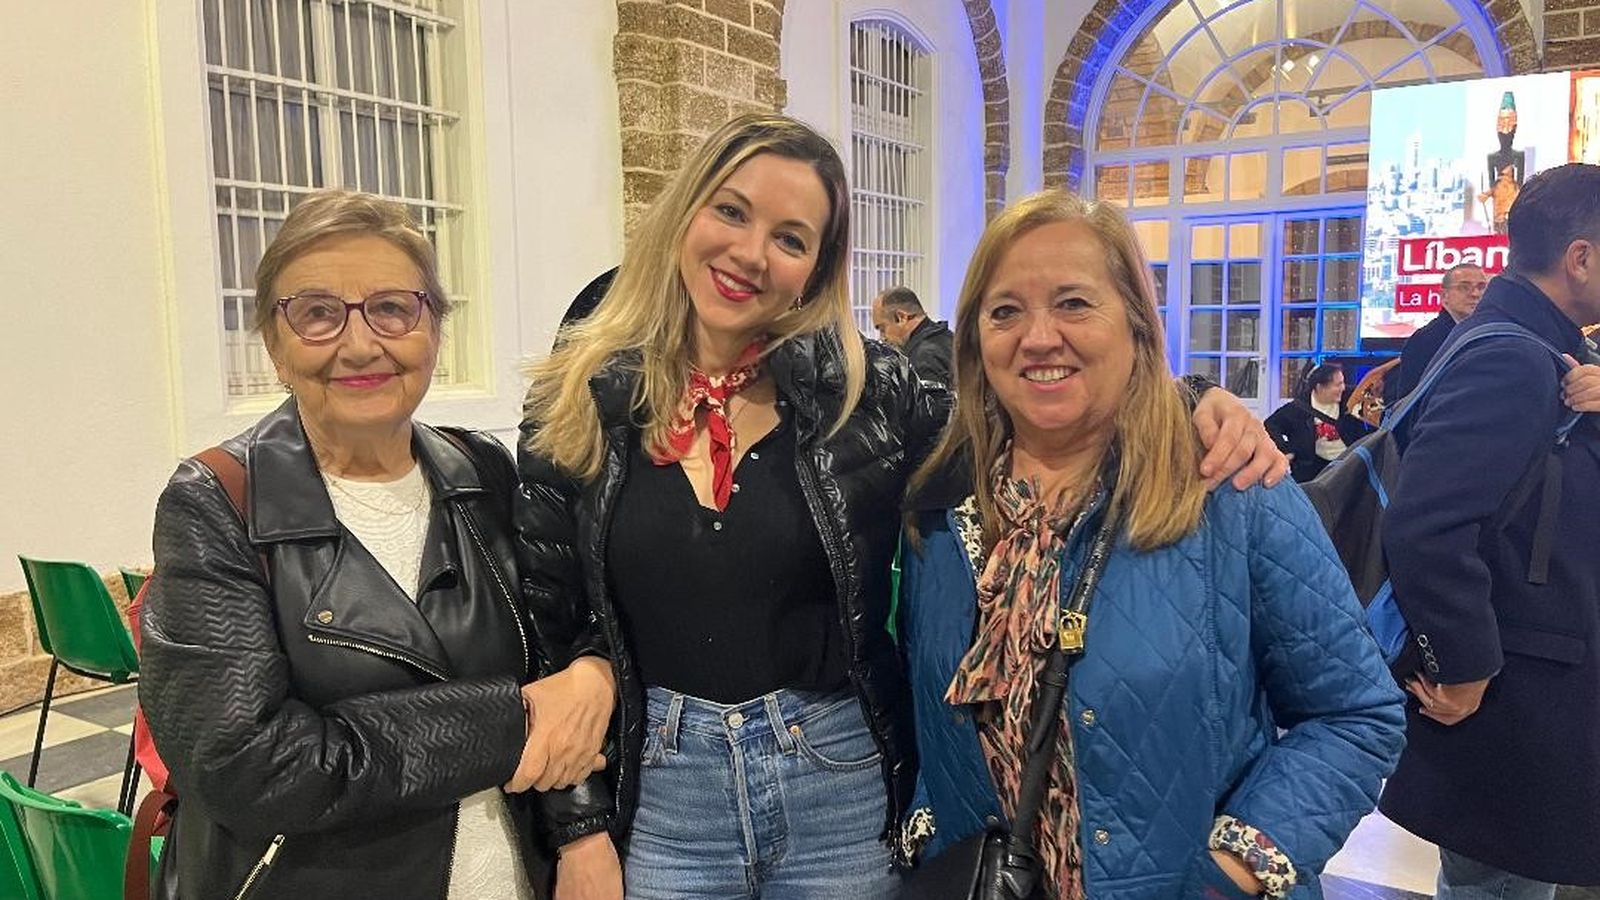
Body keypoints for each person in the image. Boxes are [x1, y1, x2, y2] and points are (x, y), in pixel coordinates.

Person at [516, 114, 1286, 899]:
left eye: (791, 238)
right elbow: (546, 623)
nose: (751, 254)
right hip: (666, 795)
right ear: (685, 213)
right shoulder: (578, 397)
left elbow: (1013, 416)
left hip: (834, 780)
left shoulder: (866, 392)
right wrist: (579, 832)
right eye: (732, 211)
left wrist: (1187, 399)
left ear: (816, 270)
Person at [897, 190, 1406, 899]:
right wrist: (931, 833)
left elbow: (1355, 713)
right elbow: (936, 715)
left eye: (1074, 303)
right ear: (977, 339)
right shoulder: (944, 511)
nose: (1038, 337)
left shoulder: (1231, 487)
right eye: (1005, 310)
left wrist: (1232, 876)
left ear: (1136, 322)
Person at [139, 191, 619, 900]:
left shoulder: (482, 473)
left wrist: (591, 700)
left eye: (393, 308)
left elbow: (562, 637)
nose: (361, 345)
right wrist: (511, 718)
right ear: (273, 343)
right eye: (317, 313)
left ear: (434, 329)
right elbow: (249, 764)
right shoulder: (217, 502)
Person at [1380, 163, 1600, 897]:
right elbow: (1429, 525)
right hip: (1513, 701)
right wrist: (1465, 665)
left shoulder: (1539, 345)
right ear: (1580, 258)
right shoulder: (1512, 355)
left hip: (1535, 689)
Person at [1390, 263, 1489, 401]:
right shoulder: (1424, 340)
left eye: (1481, 287)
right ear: (1444, 295)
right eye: (1464, 287)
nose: (1475, 294)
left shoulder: (1487, 335)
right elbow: (1410, 401)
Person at [1264, 361, 1369, 482]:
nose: (1343, 388)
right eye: (1338, 384)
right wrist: (1287, 449)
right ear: (1320, 387)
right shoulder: (1298, 408)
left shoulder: (1351, 399)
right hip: (1312, 469)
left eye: (1343, 383)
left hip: (1347, 465)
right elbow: (1270, 425)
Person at [871, 286, 954, 385]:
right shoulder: (949, 338)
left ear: (901, 317)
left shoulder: (922, 359)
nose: (882, 338)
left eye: (882, 329)